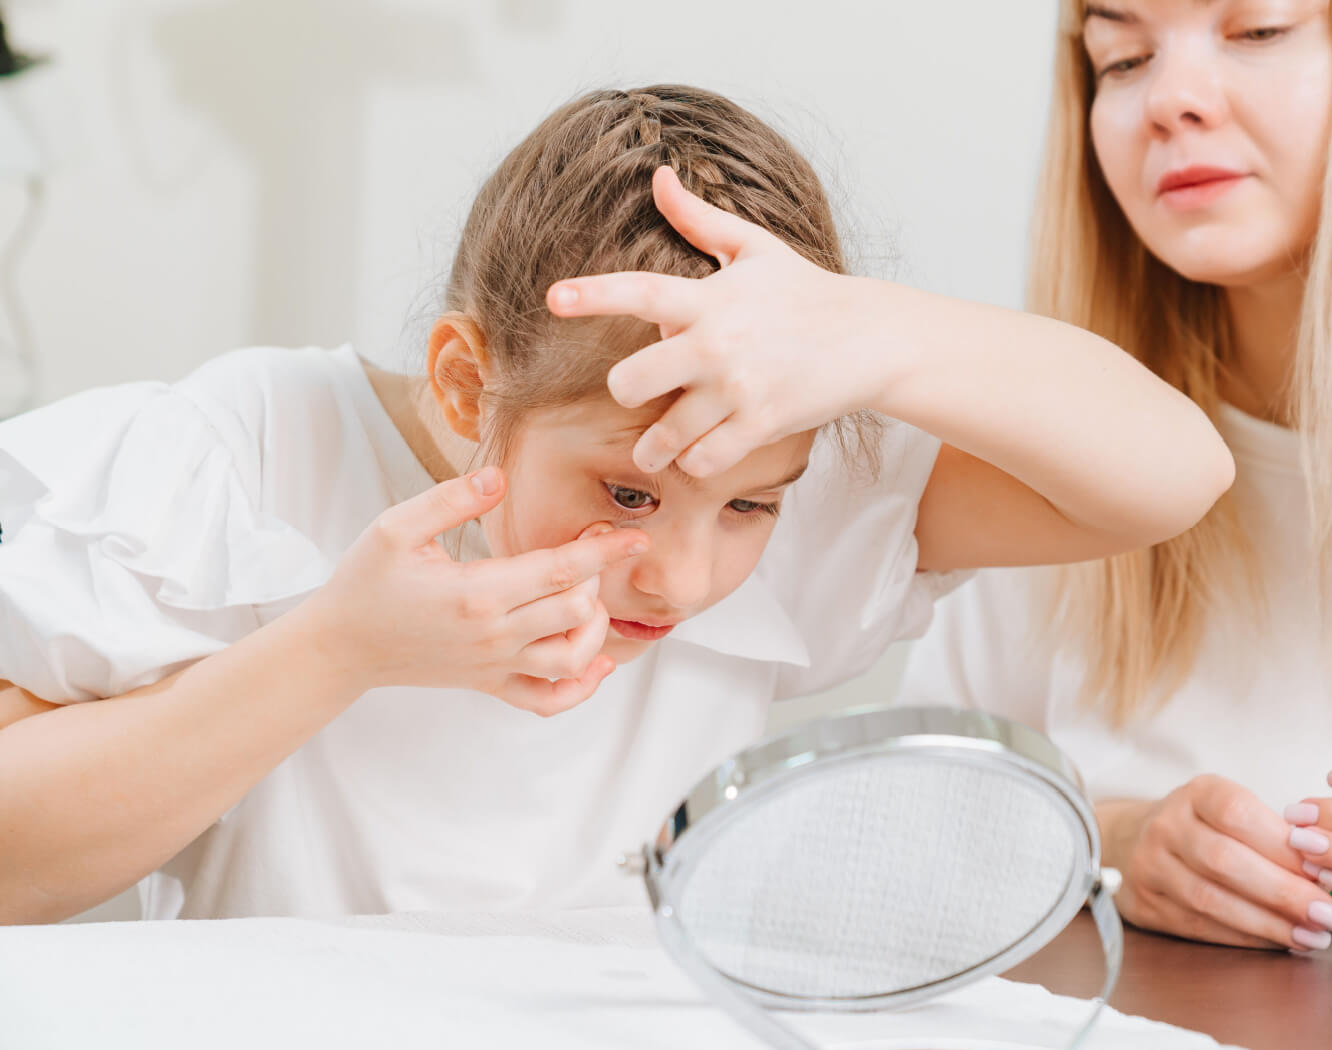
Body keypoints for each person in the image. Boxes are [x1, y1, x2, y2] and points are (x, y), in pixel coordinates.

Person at [0, 85, 1233, 922]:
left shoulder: (774, 463)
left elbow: (1173, 475)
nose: (681, 577)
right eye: (627, 489)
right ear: (464, 383)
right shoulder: (242, 456)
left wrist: (872, 339)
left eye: (750, 508)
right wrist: (338, 651)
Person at [895, 0, 1332, 977]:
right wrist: (1097, 845)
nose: (1170, 100)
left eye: (1258, 31)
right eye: (1123, 57)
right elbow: (908, 819)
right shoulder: (1053, 455)